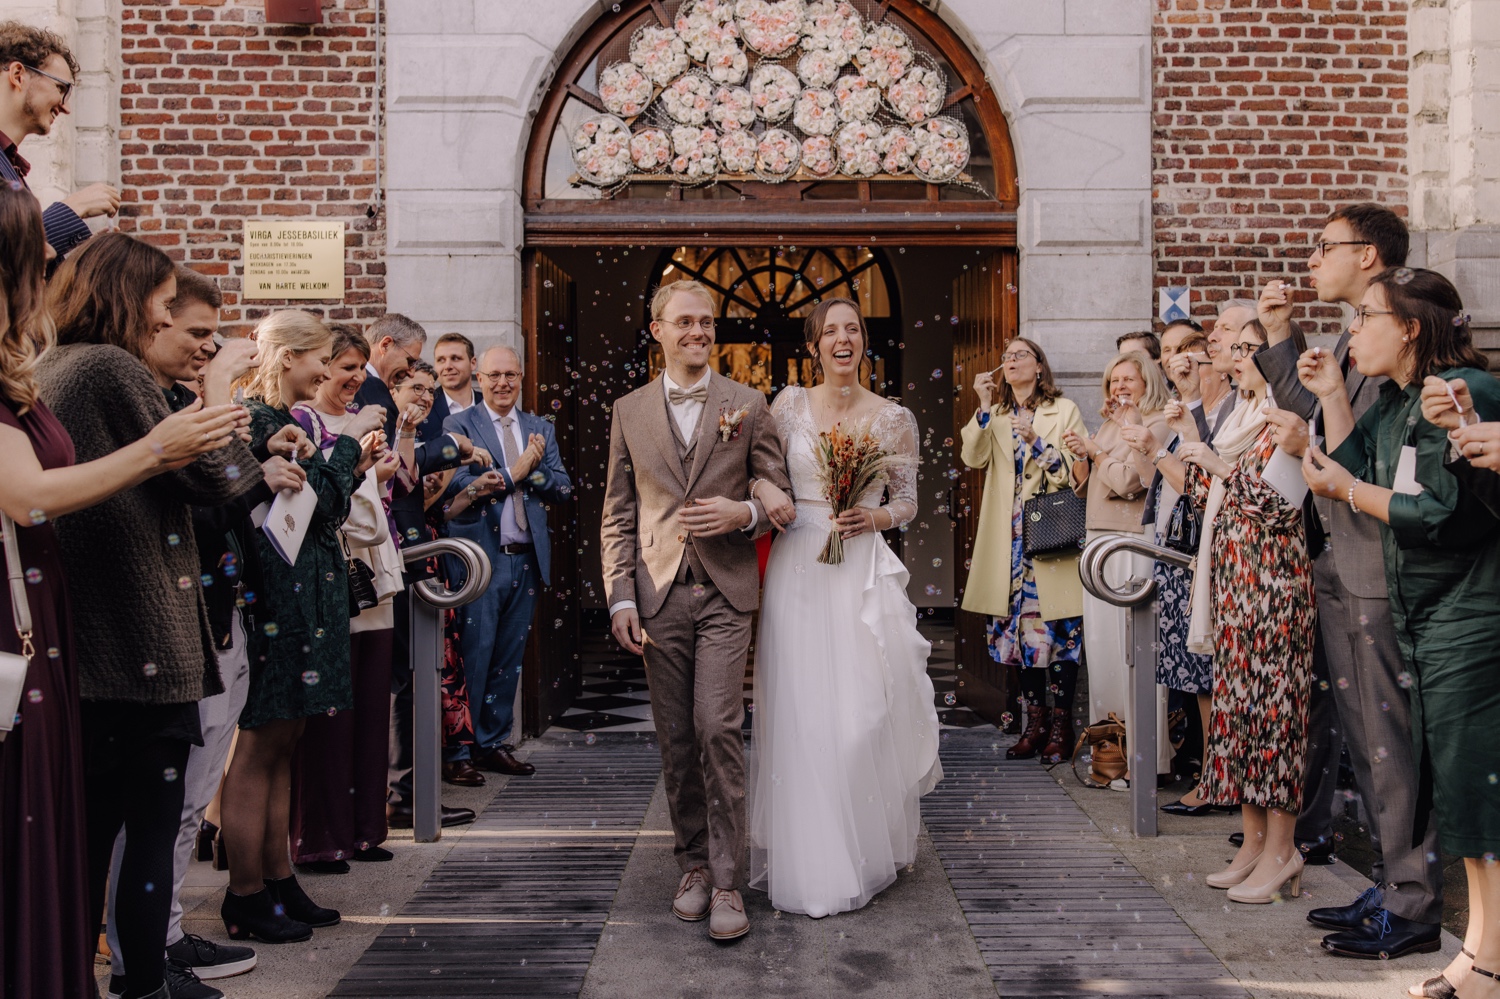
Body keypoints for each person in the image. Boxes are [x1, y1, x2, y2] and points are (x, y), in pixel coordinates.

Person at [0, 187, 242, 999]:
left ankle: (82, 966)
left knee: (94, 824)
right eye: (170, 306)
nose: (182, 325)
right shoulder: (110, 367)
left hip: (95, 637)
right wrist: (221, 396)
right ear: (131, 300)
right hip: (138, 638)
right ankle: (143, 978)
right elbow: (214, 479)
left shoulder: (58, 364)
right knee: (145, 823)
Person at [103, 268, 305, 996]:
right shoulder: (132, 398)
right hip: (169, 624)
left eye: (214, 337)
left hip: (215, 609)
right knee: (167, 800)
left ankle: (158, 938)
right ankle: (142, 951)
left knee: (184, 799)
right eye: (192, 331)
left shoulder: (172, 403)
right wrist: (226, 402)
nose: (209, 347)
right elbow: (213, 496)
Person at [1256, 203, 1446, 963]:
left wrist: (1323, 422)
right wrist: (1284, 349)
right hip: (1338, 556)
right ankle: (1390, 881)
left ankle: (1415, 897)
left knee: (1394, 741)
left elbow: (1369, 460)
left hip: (1378, 561)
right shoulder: (1347, 335)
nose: (1311, 257)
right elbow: (1320, 425)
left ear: (1369, 256)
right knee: (1368, 743)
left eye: (1324, 245)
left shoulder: (1404, 344)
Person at [1301, 267, 1500, 986]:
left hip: (1466, 613)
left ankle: (1481, 954)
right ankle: (1476, 950)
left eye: (1367, 318)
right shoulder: (1394, 401)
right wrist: (1329, 399)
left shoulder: (1462, 394)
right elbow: (1353, 467)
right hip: (1425, 618)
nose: (1353, 330)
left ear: (1411, 326)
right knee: (1455, 788)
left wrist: (1348, 486)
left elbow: (1436, 514)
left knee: (1472, 792)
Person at [600, 279, 789, 941]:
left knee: (716, 725)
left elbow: (779, 493)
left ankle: (729, 877)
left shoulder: (747, 402)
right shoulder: (628, 409)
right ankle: (693, 865)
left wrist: (744, 511)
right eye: (684, 322)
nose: (697, 333)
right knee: (677, 737)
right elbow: (619, 513)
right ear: (658, 329)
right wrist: (621, 593)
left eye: (706, 323)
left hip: (726, 590)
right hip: (656, 593)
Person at [746, 296, 942, 918]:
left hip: (858, 566)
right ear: (814, 346)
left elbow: (908, 502)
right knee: (802, 710)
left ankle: (865, 843)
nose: (842, 339)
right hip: (798, 562)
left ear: (864, 342)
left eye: (852, 329)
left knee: (860, 712)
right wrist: (768, 489)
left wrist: (874, 515)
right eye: (829, 331)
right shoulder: (787, 405)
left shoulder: (894, 418)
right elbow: (756, 470)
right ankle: (810, 856)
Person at [1132, 318, 1316, 904]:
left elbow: (1279, 505)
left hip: (1275, 588)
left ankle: (1284, 851)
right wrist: (1185, 457)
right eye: (1231, 349)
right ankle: (1254, 843)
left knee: (1274, 723)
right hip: (1234, 586)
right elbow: (1206, 496)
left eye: (1247, 349)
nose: (1232, 358)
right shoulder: (1241, 418)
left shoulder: (1285, 421)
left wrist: (1214, 467)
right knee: (1239, 720)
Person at [218, 310, 382, 944]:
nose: (326, 371)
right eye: (320, 358)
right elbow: (320, 505)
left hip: (304, 597)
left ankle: (280, 878)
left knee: (286, 746)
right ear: (288, 358)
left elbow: (325, 501)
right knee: (260, 747)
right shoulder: (258, 421)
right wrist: (350, 443)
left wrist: (346, 457)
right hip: (277, 601)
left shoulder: (285, 421)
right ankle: (245, 894)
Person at [288, 325, 404, 874]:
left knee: (371, 704)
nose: (356, 379)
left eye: (361, 368)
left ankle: (365, 826)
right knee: (332, 712)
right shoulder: (306, 422)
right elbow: (323, 497)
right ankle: (321, 835)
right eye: (344, 368)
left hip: (372, 574)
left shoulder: (366, 425)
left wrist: (380, 476)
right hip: (334, 574)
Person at [442, 346, 572, 780]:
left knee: (508, 657)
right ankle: (458, 752)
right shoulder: (459, 424)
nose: (502, 384)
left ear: (521, 377)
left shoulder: (539, 428)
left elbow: (561, 487)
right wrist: (517, 470)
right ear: (479, 378)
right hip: (482, 560)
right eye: (494, 375)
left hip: (525, 560)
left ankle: (492, 744)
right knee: (473, 655)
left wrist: (532, 468)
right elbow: (459, 483)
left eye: (511, 375)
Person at [959, 337, 1086, 763]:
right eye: (1006, 356)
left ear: (1038, 366)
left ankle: (1061, 727)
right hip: (1008, 543)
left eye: (1020, 355)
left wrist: (1036, 442)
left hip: (1049, 539)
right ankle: (1034, 726)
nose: (1010, 361)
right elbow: (972, 458)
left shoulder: (1062, 411)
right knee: (1019, 638)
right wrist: (980, 406)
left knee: (1059, 635)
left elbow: (1075, 473)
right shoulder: (993, 415)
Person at [1063, 351, 1172, 782]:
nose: (1120, 387)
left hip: (1130, 544)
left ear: (1147, 382)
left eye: (1129, 379)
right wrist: (1082, 456)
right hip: (1099, 539)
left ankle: (1146, 757)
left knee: (1133, 648)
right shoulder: (1110, 424)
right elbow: (1089, 487)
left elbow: (1130, 483)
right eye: (1113, 381)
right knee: (1104, 650)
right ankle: (1110, 751)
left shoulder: (1157, 422)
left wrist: (1095, 451)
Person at [1128, 329, 1218, 814]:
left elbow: (1196, 484)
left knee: (1204, 674)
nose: (1174, 360)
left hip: (1197, 550)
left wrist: (1159, 448)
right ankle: (1211, 773)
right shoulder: (1180, 412)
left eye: (1185, 351)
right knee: (1192, 675)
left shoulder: (1210, 415)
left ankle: (1214, 780)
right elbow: (1152, 484)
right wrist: (1149, 449)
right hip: (1171, 547)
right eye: (1166, 353)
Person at [0, 22, 121, 259]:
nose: (65, 107)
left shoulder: (13, 169)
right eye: (60, 88)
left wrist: (80, 261)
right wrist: (71, 209)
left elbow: (19, 264)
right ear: (17, 75)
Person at [419, 331, 481, 444]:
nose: (447, 366)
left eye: (455, 358)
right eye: (441, 360)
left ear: (473, 363)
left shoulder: (488, 404)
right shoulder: (423, 408)